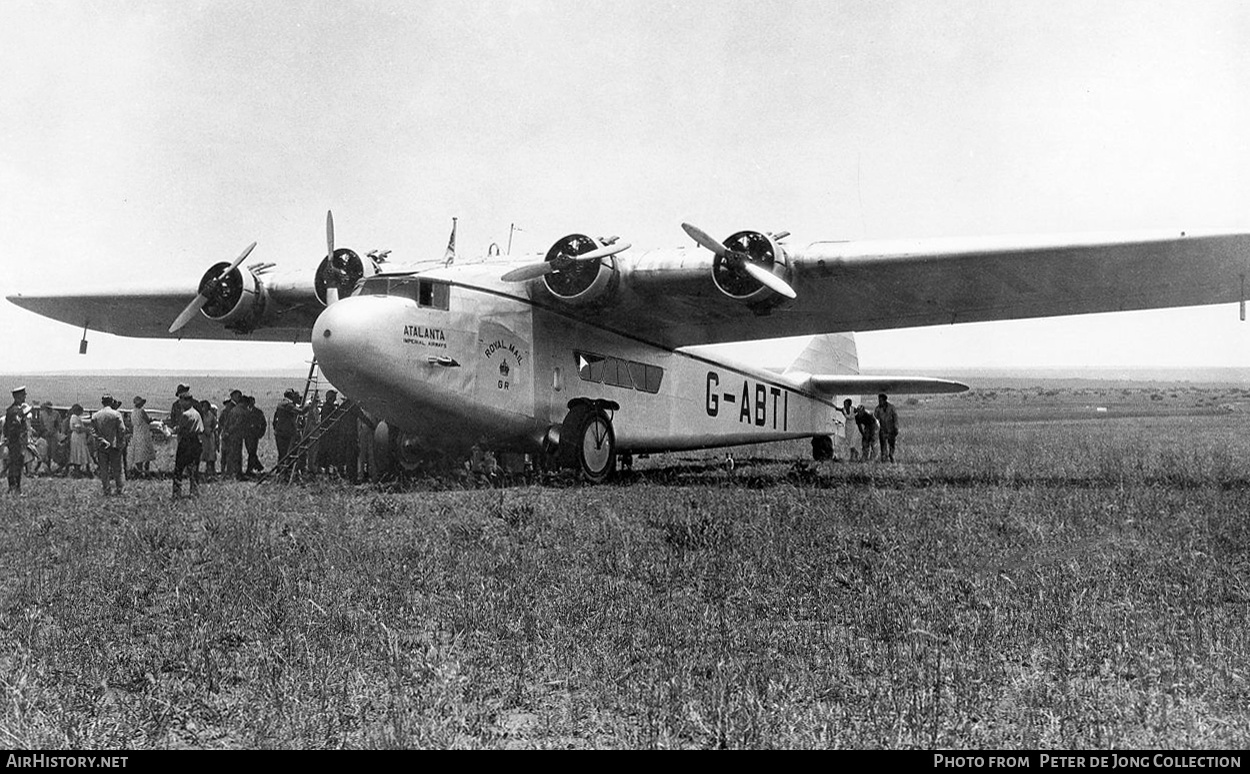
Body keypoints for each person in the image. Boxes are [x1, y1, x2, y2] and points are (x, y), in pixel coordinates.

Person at [91, 394, 127, 496]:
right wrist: (120, 441)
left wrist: (101, 440)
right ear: (111, 402)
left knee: (104, 469)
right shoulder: (116, 414)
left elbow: (93, 432)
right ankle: (120, 489)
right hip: (114, 445)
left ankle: (106, 490)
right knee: (117, 469)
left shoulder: (96, 415)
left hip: (102, 446)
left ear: (102, 403)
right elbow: (122, 429)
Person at [172, 393, 203, 499]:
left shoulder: (185, 414)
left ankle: (177, 493)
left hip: (186, 442)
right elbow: (201, 429)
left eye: (181, 401)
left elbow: (181, 429)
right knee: (194, 469)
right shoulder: (197, 414)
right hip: (196, 442)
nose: (180, 403)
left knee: (178, 469)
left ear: (187, 401)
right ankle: (194, 491)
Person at [4, 386, 33, 494]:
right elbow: (13, 427)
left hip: (17, 441)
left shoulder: (12, 410)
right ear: (18, 396)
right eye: (23, 394)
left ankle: (15, 488)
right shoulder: (15, 411)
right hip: (16, 441)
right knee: (15, 464)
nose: (25, 396)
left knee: (17, 464)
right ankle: (14, 488)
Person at [220, 389, 246, 479]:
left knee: (234, 454)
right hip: (232, 435)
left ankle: (233, 473)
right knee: (231, 454)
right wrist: (227, 432)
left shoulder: (235, 408)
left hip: (233, 435)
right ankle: (231, 473)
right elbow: (228, 422)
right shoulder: (232, 408)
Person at [128, 396, 155, 477]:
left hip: (136, 433)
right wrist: (152, 419)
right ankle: (145, 471)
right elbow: (147, 420)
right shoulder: (141, 411)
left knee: (138, 452)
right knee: (146, 451)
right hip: (143, 432)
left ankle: (140, 470)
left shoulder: (133, 412)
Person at [272, 389, 301, 462]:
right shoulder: (288, 405)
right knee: (285, 453)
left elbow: (275, 419)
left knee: (283, 453)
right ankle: (283, 469)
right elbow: (301, 412)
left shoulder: (281, 404)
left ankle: (282, 468)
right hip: (286, 433)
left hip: (281, 432)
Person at [243, 396, 266, 476]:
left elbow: (263, 423)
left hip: (254, 435)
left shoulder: (258, 412)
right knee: (251, 452)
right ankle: (257, 466)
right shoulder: (245, 412)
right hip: (247, 435)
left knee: (252, 452)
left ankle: (250, 469)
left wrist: (261, 433)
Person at [68, 403, 92, 477]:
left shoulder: (75, 417)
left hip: (79, 438)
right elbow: (78, 429)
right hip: (77, 438)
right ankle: (78, 470)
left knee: (80, 452)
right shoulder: (74, 418)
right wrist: (87, 430)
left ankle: (80, 470)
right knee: (78, 452)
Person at [874, 393, 899, 463]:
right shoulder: (877, 409)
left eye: (881, 400)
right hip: (882, 430)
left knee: (892, 444)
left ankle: (892, 456)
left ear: (885, 400)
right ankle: (884, 459)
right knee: (883, 445)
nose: (880, 402)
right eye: (879, 400)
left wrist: (896, 427)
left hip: (891, 429)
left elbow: (895, 418)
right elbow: (875, 419)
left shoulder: (891, 407)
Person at [199, 400, 218, 478]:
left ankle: (210, 469)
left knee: (211, 452)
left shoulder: (211, 415)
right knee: (203, 452)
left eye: (206, 406)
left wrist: (211, 431)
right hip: (203, 436)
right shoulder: (200, 415)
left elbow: (214, 424)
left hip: (210, 435)